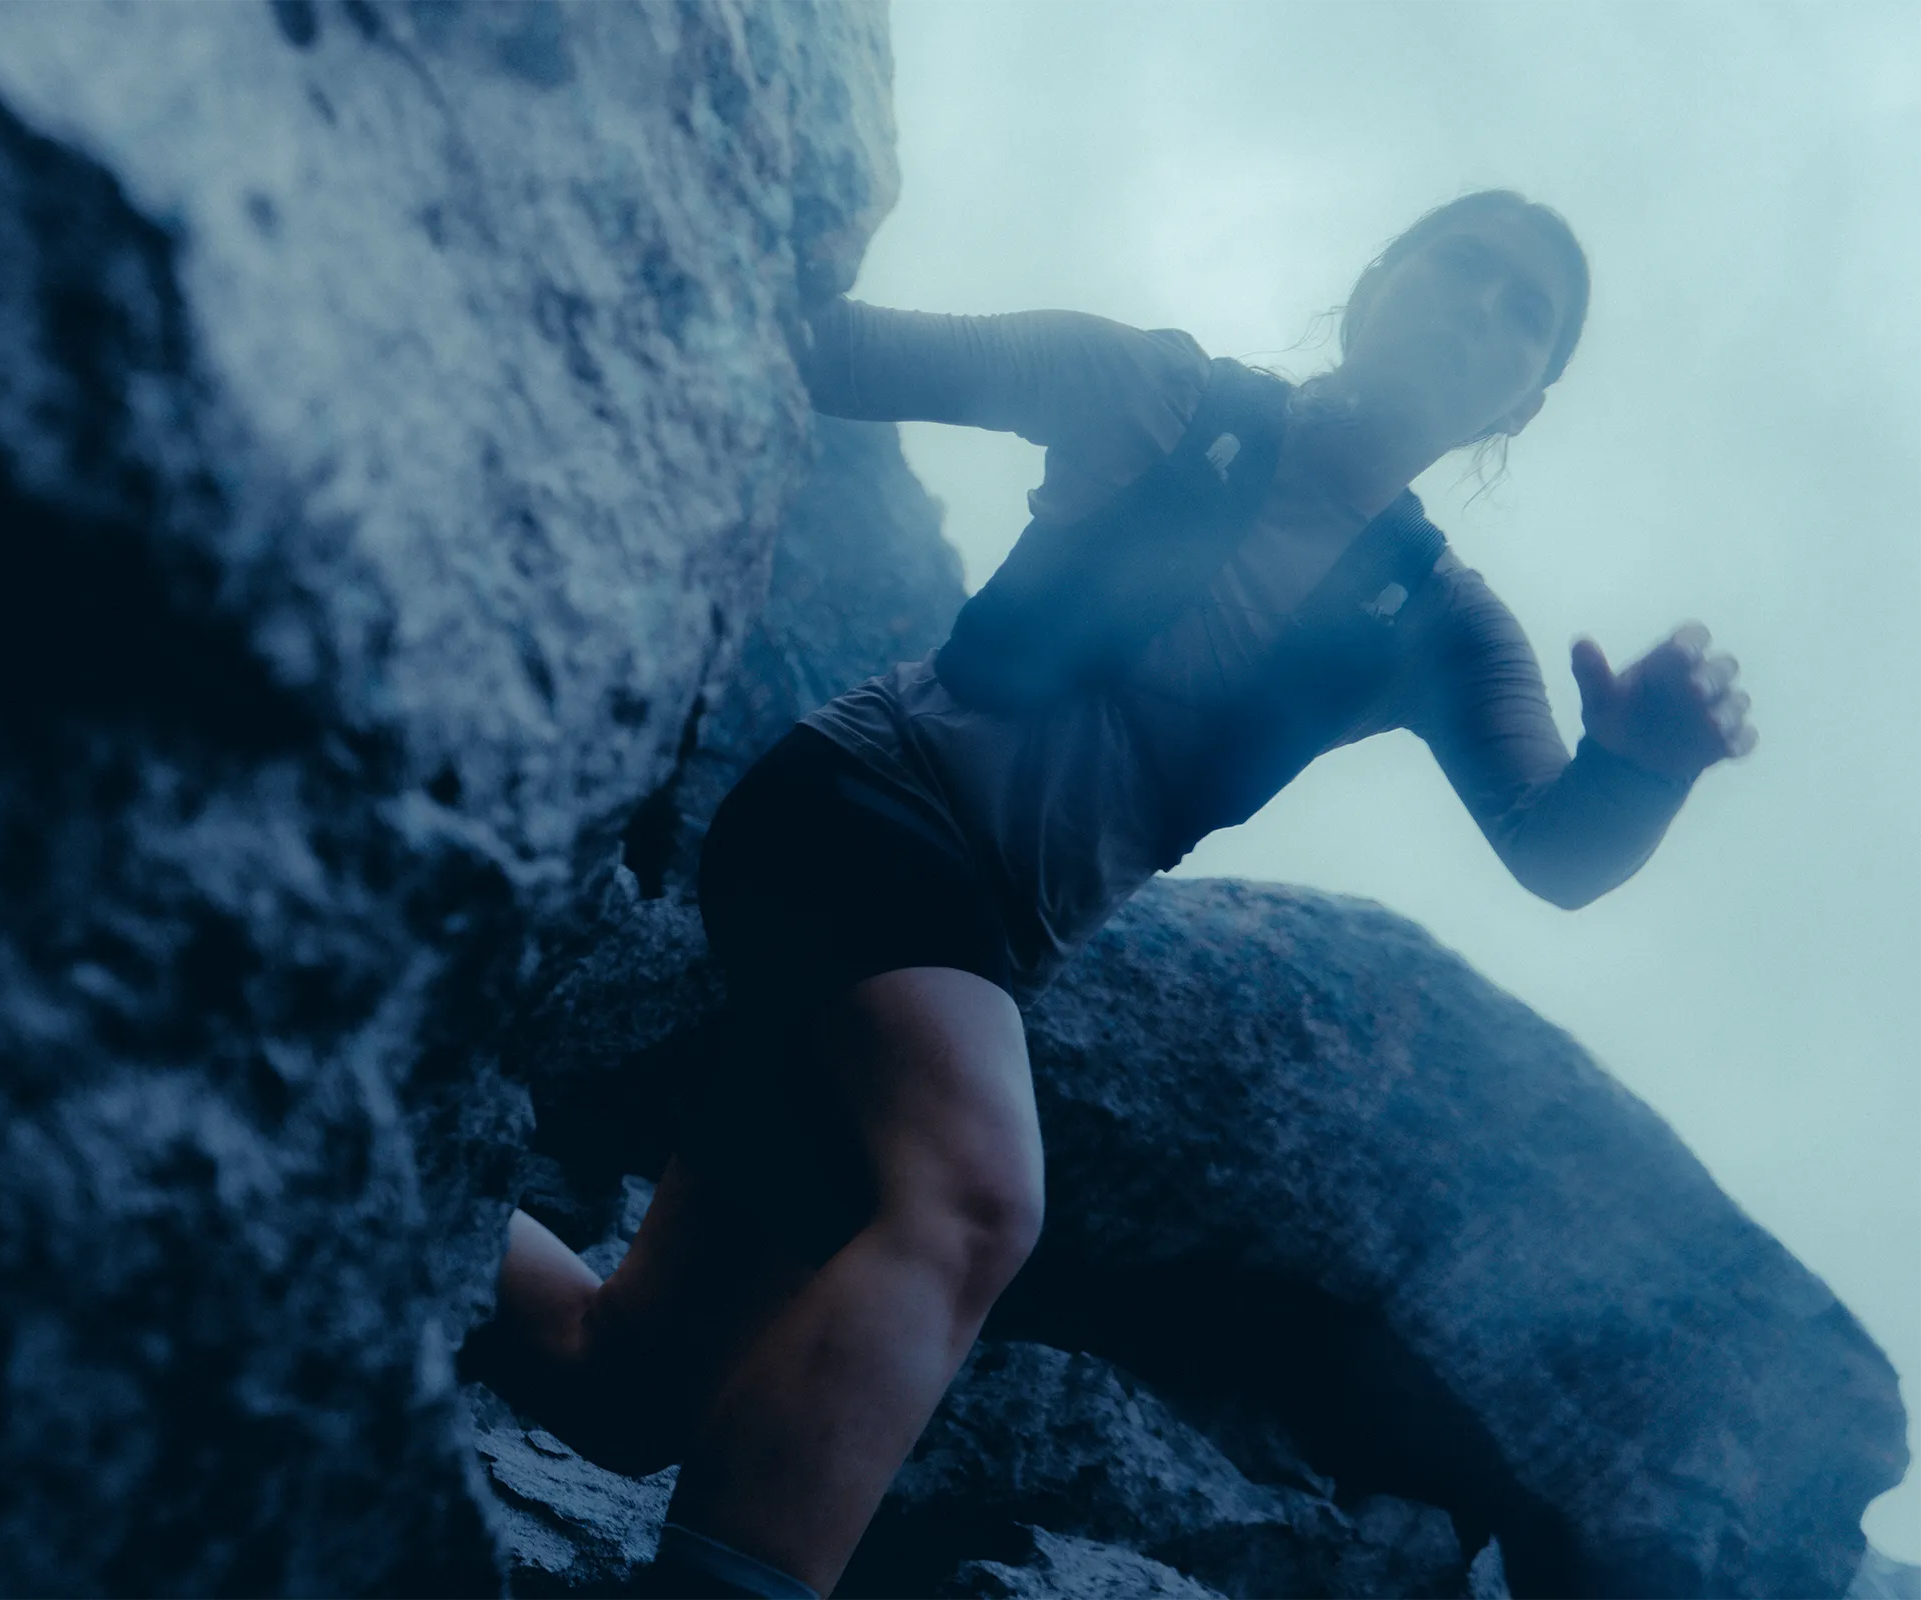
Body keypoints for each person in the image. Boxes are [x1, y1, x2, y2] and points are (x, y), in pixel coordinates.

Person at [467, 190, 1756, 1600]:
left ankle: (405, 1195)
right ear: (1380, 278)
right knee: (977, 1200)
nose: (1487, 313)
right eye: (1467, 267)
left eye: (1531, 318)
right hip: (856, 817)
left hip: (970, 952)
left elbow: (1559, 854)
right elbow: (811, 344)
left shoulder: (1444, 625)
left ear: (1529, 400)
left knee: (623, 1379)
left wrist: (1647, 770)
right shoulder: (1151, 387)